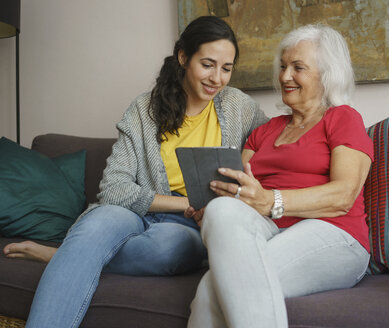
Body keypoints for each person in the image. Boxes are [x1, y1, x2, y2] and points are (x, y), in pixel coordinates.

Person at [5, 16, 268, 328]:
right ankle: (79, 250)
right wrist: (184, 204)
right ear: (183, 57)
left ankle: (65, 255)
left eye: (226, 68)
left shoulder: (240, 107)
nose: (217, 78)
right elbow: (114, 190)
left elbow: (276, 147)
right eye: (207, 64)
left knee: (170, 249)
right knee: (93, 228)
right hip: (136, 213)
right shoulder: (144, 110)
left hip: (188, 229)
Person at [187, 24, 374, 328]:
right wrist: (213, 205)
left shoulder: (343, 118)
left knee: (211, 290)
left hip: (334, 234)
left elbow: (344, 195)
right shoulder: (264, 131)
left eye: (298, 68)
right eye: (284, 66)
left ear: (326, 75)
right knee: (222, 208)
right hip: (268, 231)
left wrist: (270, 200)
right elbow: (240, 190)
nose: (285, 76)